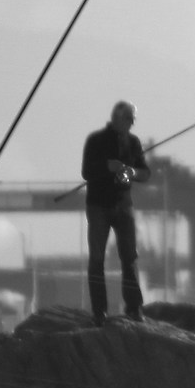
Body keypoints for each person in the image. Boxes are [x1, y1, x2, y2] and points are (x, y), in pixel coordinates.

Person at [81, 100, 150, 320]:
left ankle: (134, 307)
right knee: (97, 259)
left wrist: (132, 172)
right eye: (129, 120)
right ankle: (99, 311)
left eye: (133, 121)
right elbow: (86, 172)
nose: (131, 125)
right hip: (98, 206)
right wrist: (107, 167)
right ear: (117, 118)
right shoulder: (95, 140)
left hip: (124, 205)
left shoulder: (134, 142)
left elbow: (145, 173)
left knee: (129, 257)